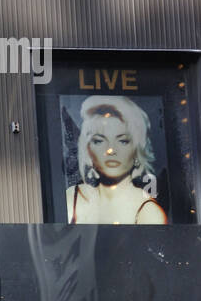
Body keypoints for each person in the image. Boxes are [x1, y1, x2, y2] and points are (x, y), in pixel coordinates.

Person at [64, 96, 167, 225]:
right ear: (88, 150)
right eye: (99, 141)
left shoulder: (149, 213)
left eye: (123, 141)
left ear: (137, 150)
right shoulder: (72, 198)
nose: (111, 150)